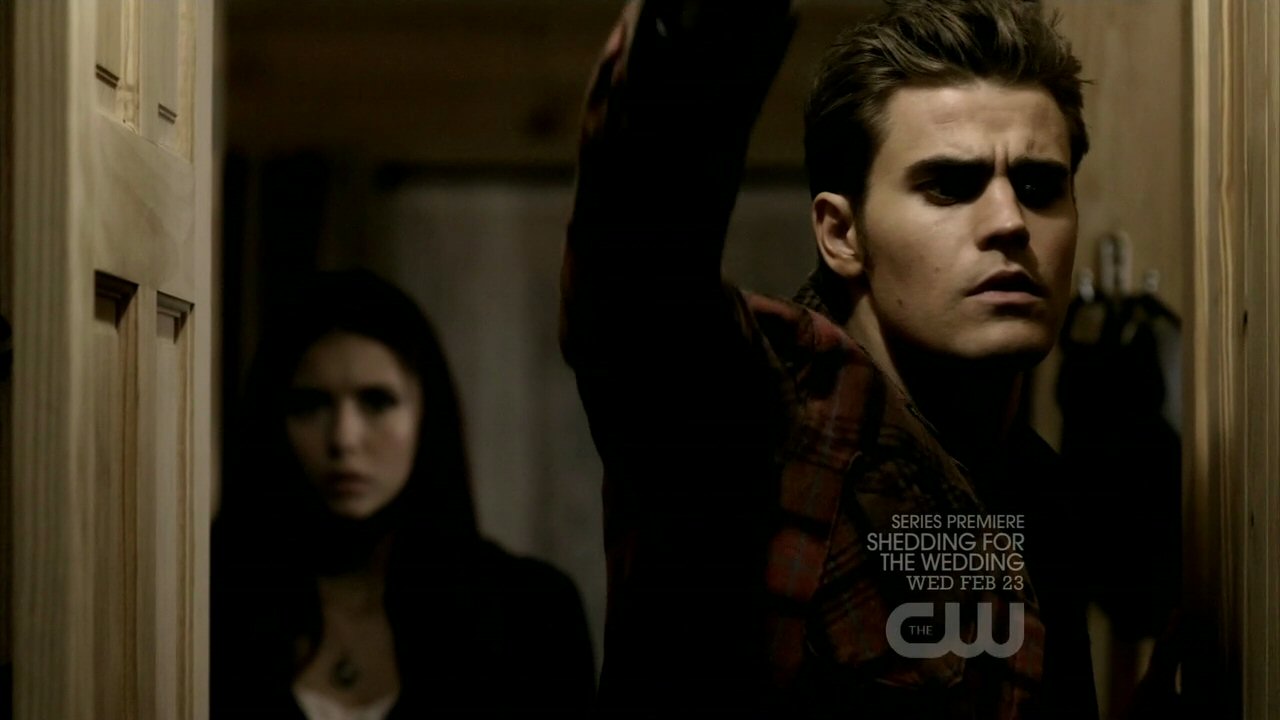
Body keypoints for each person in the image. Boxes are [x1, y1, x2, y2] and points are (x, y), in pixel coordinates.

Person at [560, 0, 1098, 717]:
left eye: (1038, 187)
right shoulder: (760, 408)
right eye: (949, 185)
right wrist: (694, 33)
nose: (1009, 222)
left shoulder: (1038, 491)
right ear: (841, 234)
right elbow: (637, 282)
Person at [213, 269, 595, 718]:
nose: (344, 439)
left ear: (424, 416)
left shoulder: (531, 611)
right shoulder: (208, 599)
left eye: (376, 401)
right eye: (310, 404)